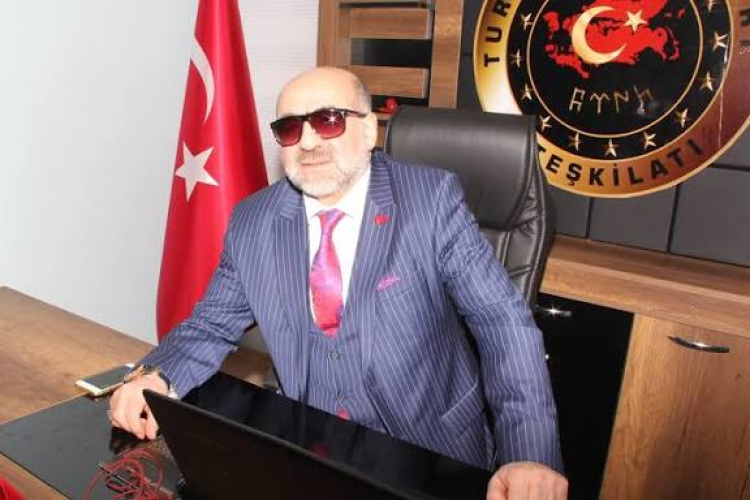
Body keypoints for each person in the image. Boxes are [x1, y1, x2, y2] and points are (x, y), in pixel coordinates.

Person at [110, 66, 567, 499]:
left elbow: (501, 322)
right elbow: (210, 325)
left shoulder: (430, 201)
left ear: (368, 130)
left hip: (429, 456)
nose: (308, 141)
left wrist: (530, 454)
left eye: (327, 120)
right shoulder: (254, 222)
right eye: (290, 128)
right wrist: (156, 376)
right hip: (309, 451)